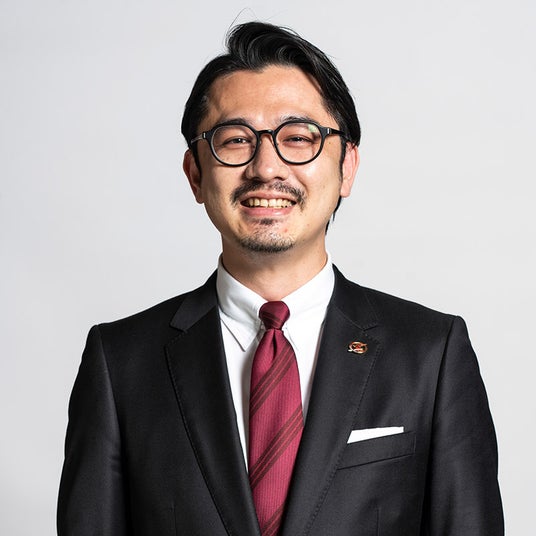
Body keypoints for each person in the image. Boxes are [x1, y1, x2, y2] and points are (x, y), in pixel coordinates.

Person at [57, 21, 504, 536]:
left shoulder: (431, 355)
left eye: (297, 138)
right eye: (235, 140)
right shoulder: (120, 363)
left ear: (347, 167)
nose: (266, 167)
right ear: (195, 174)